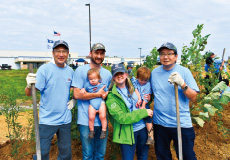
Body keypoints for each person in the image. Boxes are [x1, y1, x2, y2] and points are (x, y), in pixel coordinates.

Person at [25, 40, 74, 160]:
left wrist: (74, 100)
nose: (61, 54)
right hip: (47, 120)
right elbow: (29, 93)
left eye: (64, 51)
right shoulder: (44, 70)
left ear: (68, 54)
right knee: (43, 152)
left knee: (66, 153)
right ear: (53, 53)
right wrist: (28, 85)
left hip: (64, 120)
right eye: (58, 51)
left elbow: (74, 89)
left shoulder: (70, 71)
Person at [150, 42, 199, 160]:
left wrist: (182, 84)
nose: (165, 57)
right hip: (160, 124)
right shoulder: (154, 73)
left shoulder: (184, 72)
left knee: (187, 156)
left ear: (176, 56)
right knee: (162, 156)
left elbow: (193, 97)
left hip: (181, 124)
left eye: (169, 54)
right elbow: (150, 94)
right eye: (162, 54)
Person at [71, 43, 112, 159]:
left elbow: (107, 94)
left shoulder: (107, 74)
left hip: (102, 120)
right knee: (88, 155)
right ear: (90, 54)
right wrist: (97, 94)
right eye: (96, 53)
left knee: (100, 155)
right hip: (85, 120)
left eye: (101, 53)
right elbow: (77, 94)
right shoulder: (80, 71)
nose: (99, 56)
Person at [106, 63, 153, 160]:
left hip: (143, 129)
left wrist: (149, 98)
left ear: (126, 74)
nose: (119, 76)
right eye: (116, 74)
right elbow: (122, 117)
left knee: (143, 157)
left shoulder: (133, 87)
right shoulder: (111, 97)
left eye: (121, 73)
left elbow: (144, 98)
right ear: (113, 78)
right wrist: (143, 113)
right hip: (127, 132)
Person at [80, 68, 108, 139]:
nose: (92, 80)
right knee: (91, 117)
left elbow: (107, 91)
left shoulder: (102, 85)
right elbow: (83, 89)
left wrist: (105, 94)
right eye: (90, 79)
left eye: (94, 79)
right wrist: (83, 89)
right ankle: (91, 131)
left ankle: (104, 130)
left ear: (98, 78)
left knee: (103, 116)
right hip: (92, 103)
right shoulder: (87, 85)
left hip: (100, 102)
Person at [131, 66, 154, 145]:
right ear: (137, 77)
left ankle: (150, 136)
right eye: (141, 80)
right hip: (137, 103)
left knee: (148, 119)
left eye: (145, 80)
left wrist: (143, 105)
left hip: (145, 103)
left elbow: (147, 96)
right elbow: (135, 89)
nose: (143, 82)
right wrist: (139, 98)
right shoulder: (135, 82)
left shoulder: (147, 85)